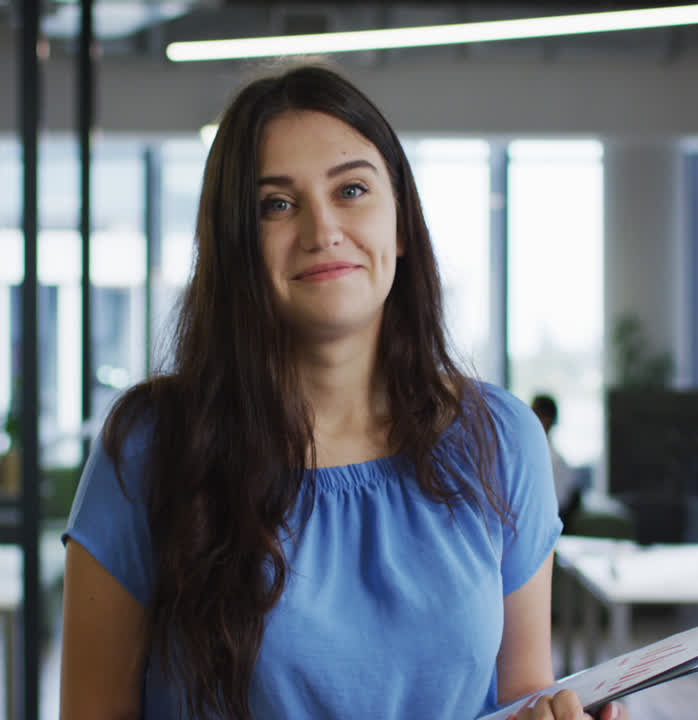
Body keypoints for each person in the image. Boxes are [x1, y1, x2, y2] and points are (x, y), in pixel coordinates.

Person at [59, 64, 624, 720]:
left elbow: (522, 690)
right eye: (276, 203)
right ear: (237, 245)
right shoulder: (151, 446)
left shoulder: (499, 438)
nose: (321, 229)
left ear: (402, 224)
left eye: (352, 189)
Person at [531, 393, 580, 527]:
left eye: (534, 415)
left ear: (546, 421)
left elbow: (556, 506)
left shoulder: (554, 461)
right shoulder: (536, 453)